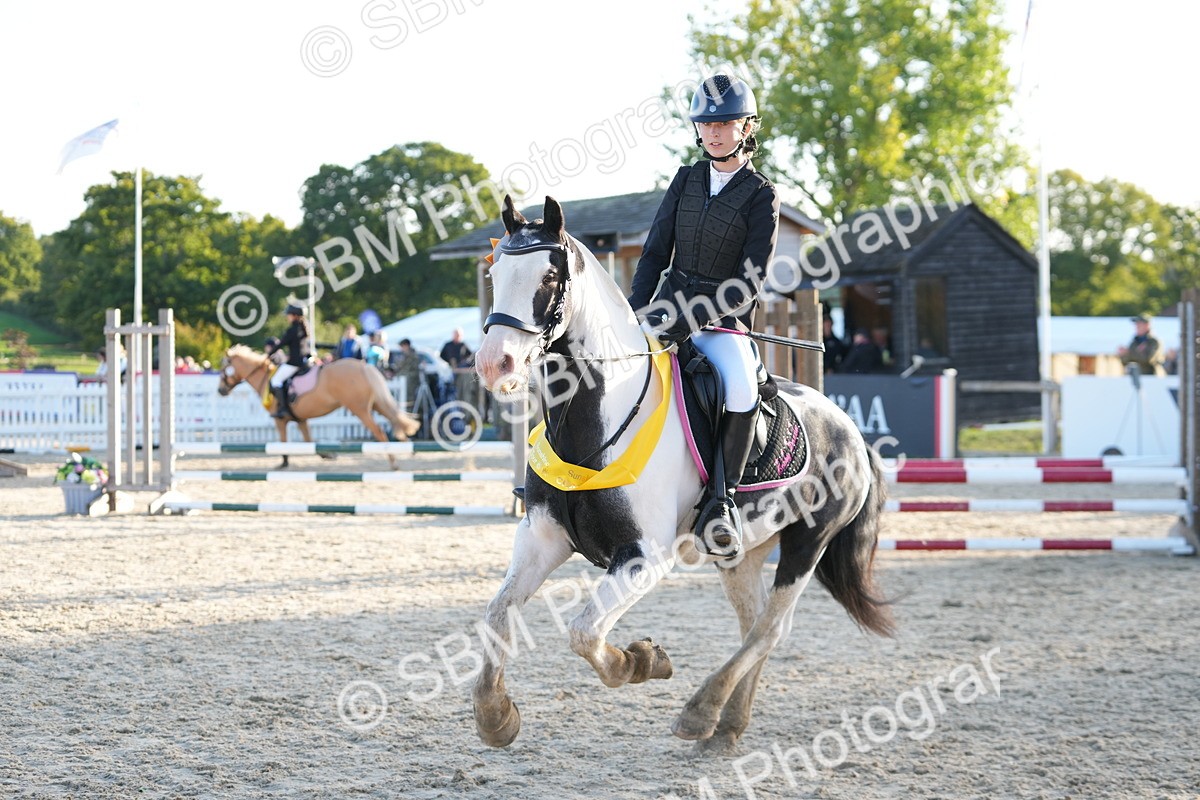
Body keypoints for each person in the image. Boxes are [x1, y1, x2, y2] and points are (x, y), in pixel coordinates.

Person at [626, 73, 780, 558]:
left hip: (721, 321)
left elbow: (751, 280)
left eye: (724, 123)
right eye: (706, 123)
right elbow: (654, 253)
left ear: (746, 127)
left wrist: (697, 317)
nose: (713, 131)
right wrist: (636, 311)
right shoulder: (686, 179)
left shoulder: (761, 194)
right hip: (665, 308)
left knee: (739, 384)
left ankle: (723, 501)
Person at [266, 304, 312, 418]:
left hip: (295, 363)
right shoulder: (304, 328)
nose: (287, 317)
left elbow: (280, 344)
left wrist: (268, 354)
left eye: (289, 315)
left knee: (275, 381)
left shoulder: (292, 330)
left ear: (295, 316)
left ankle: (283, 409)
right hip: (305, 360)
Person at [391, 338, 423, 408]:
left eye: (402, 346)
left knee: (408, 398)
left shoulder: (413, 355)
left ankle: (408, 412)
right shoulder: (405, 355)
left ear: (406, 345)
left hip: (410, 380)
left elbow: (412, 370)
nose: (401, 349)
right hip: (404, 378)